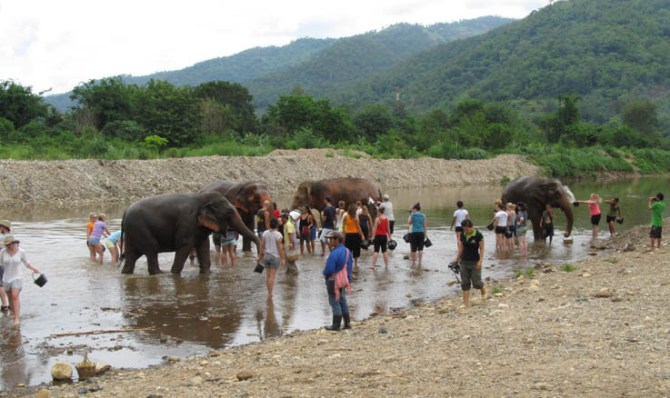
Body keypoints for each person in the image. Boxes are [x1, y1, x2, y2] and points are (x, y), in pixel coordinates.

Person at [1, 235, 41, 325]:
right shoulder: (3, 252)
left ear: (15, 243)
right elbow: (1, 264)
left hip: (17, 277)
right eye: (7, 245)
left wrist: (34, 269)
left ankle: (16, 318)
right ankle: (13, 314)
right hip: (6, 278)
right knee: (10, 297)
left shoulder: (21, 251)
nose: (10, 246)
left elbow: (27, 263)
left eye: (11, 244)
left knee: (15, 295)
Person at [322, 231, 353, 331]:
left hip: (333, 280)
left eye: (331, 239)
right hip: (344, 280)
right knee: (342, 300)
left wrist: (324, 273)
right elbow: (349, 267)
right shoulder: (347, 251)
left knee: (334, 300)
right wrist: (348, 278)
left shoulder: (334, 253)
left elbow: (329, 269)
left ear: (337, 240)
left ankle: (336, 325)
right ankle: (347, 323)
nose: (329, 241)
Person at [453, 219, 487, 307]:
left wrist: (480, 261)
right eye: (464, 229)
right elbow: (460, 249)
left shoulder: (478, 235)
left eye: (467, 229)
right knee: (464, 283)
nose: (466, 231)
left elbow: (482, 249)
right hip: (464, 262)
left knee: (476, 283)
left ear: (471, 227)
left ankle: (483, 289)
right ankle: (466, 303)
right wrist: (456, 260)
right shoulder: (462, 234)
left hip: (475, 261)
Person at [257, 218, 285, 299]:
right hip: (274, 256)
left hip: (266, 256)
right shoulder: (278, 235)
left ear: (270, 225)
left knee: (268, 275)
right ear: (276, 225)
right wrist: (282, 258)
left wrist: (260, 256)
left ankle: (268, 293)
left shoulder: (265, 233)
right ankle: (270, 293)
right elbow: (280, 247)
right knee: (272, 276)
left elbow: (262, 245)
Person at [342, 204, 365, 270]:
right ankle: (355, 264)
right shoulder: (356, 217)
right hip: (355, 235)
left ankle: (348, 263)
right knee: (356, 249)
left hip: (348, 234)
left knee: (348, 249)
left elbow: (343, 226)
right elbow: (358, 227)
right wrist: (362, 235)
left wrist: (344, 235)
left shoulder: (345, 216)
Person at [408, 202, 428, 267]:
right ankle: (420, 263)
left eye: (413, 209)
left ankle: (414, 263)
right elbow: (425, 226)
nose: (412, 210)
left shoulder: (413, 215)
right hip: (421, 233)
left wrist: (411, 216)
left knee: (414, 248)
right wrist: (426, 235)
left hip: (414, 233)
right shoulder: (424, 215)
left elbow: (409, 223)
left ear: (415, 209)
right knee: (420, 248)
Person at [0, 220, 11, 311]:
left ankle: (4, 304)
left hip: (1, 263)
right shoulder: (11, 237)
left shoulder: (2, 238)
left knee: (0, 284)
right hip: (9, 263)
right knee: (7, 282)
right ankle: (10, 303)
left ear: (3, 227)